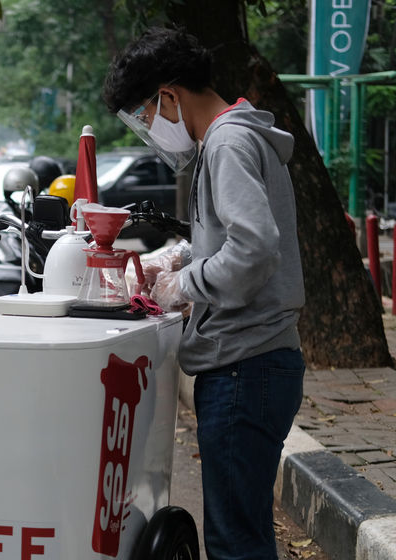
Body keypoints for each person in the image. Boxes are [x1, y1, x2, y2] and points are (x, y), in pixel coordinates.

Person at [103, 27, 305, 560]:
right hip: (257, 364)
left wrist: (182, 284)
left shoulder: (227, 142)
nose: (149, 129)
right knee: (244, 532)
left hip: (245, 366)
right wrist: (178, 255)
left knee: (235, 544)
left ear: (169, 95)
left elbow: (256, 248)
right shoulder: (234, 137)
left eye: (144, 116)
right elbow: (231, 236)